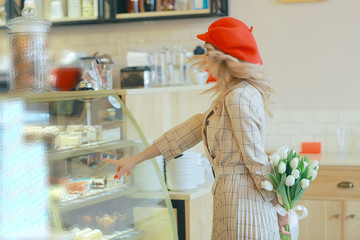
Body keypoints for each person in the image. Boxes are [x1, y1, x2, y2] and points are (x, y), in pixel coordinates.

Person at [103, 17, 289, 239]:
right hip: (234, 198)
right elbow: (185, 133)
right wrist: (134, 159)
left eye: (207, 50)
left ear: (221, 56)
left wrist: (281, 207)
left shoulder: (238, 97)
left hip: (243, 203)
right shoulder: (231, 95)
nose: (204, 57)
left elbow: (256, 160)